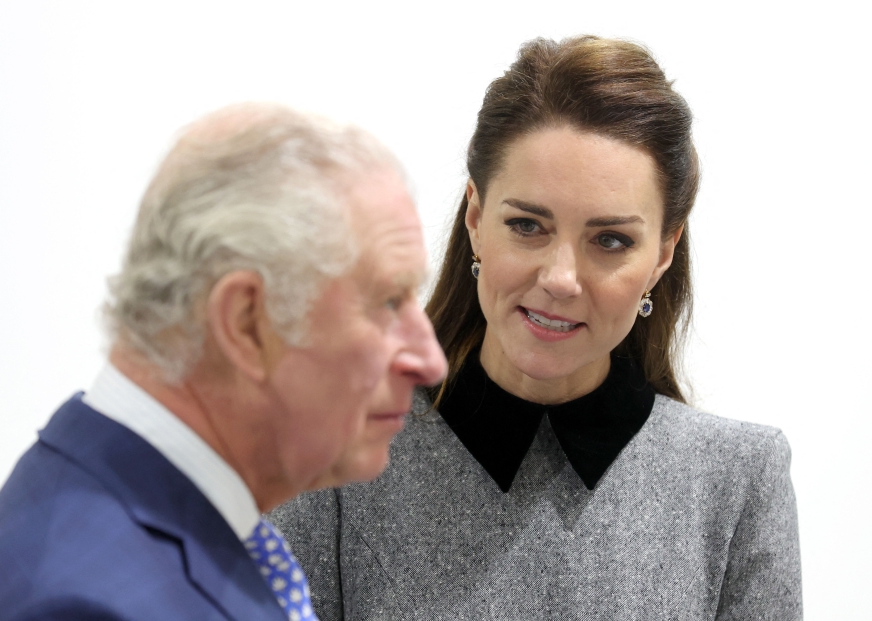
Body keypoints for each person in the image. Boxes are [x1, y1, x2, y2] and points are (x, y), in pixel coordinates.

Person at [271, 36, 802, 620]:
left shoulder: (738, 479)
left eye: (611, 240)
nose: (561, 278)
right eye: (527, 225)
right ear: (476, 218)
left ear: (663, 253)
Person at [0, 103, 447, 621]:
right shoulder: (86, 604)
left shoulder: (141, 515)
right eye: (389, 302)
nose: (431, 361)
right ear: (247, 322)